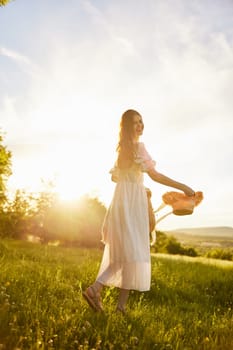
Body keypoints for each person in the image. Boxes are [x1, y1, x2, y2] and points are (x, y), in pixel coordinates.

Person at [82, 109, 195, 314]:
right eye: (135, 122)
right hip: (132, 206)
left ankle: (120, 306)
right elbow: (156, 176)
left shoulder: (122, 151)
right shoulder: (139, 148)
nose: (140, 125)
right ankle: (96, 291)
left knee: (129, 254)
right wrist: (183, 187)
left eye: (141, 121)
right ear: (127, 126)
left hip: (120, 203)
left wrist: (136, 185)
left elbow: (116, 179)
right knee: (131, 254)